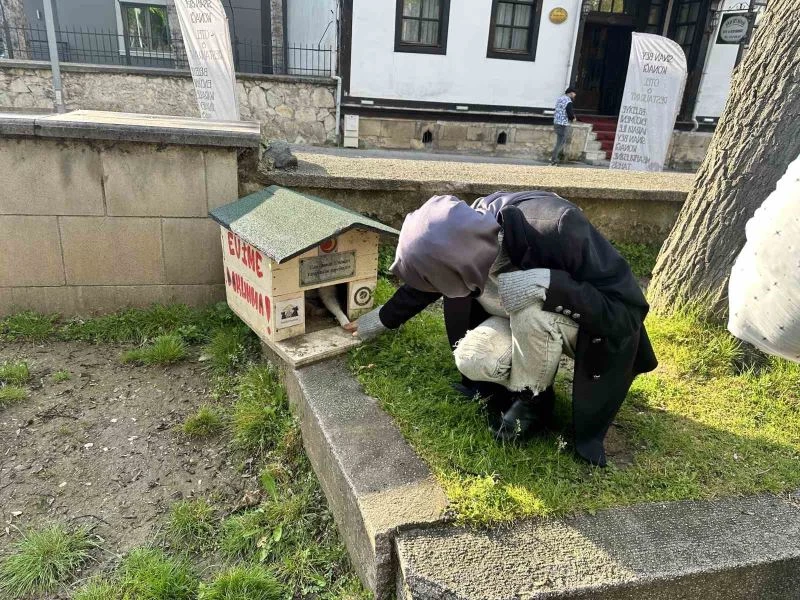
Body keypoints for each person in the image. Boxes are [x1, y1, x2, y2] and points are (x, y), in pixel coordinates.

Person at [344, 191, 657, 467]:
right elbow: (426, 282)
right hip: (514, 320)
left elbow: (627, 311)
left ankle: (533, 400)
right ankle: (530, 381)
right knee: (472, 358)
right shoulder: (464, 236)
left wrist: (549, 284)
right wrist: (378, 321)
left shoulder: (556, 226)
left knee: (530, 310)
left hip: (582, 325)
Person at [550, 87, 577, 166]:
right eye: (574, 93)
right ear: (571, 93)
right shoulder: (568, 101)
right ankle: (554, 160)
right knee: (560, 143)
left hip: (556, 122)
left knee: (559, 141)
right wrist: (573, 118)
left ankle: (554, 159)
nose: (575, 95)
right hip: (563, 124)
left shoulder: (560, 99)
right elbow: (569, 113)